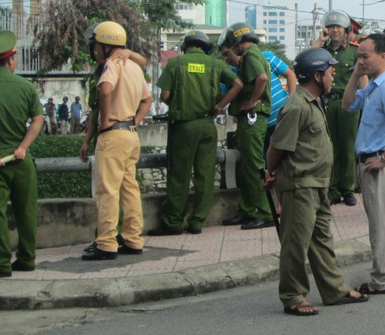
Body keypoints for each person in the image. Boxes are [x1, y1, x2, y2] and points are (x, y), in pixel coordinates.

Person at [264, 48, 368, 316]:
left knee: (321, 240)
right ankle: (293, 295)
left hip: (317, 182)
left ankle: (333, 289)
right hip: (300, 183)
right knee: (296, 244)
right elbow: (278, 147)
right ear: (317, 75)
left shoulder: (313, 101)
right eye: (331, 73)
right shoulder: (297, 105)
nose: (333, 78)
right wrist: (271, 172)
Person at [152, 31, 242, 236]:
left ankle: (173, 222)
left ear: (186, 46)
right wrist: (220, 106)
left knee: (179, 175)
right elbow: (238, 84)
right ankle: (197, 222)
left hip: (183, 127)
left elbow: (164, 95)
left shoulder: (175, 64)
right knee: (205, 174)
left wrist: (177, 102)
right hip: (207, 126)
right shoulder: (216, 64)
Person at [0, 30, 44, 280]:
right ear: (10, 60)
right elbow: (37, 120)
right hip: (21, 159)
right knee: (26, 210)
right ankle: (27, 259)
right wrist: (23, 146)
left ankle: (1, 263)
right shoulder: (25, 86)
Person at [342, 33, 385, 295]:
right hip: (372, 159)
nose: (361, 61)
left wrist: (384, 159)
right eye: (359, 56)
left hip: (376, 160)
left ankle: (381, 279)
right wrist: (355, 75)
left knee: (379, 224)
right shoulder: (375, 86)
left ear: (383, 56)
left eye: (365, 56)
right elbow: (348, 104)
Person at [83, 21, 153, 261]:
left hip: (112, 133)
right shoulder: (134, 67)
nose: (94, 52)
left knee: (107, 191)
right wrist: (136, 121)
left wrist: (104, 122)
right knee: (130, 189)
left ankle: (106, 243)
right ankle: (133, 239)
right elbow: (147, 99)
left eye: (96, 47)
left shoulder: (112, 64)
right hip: (130, 134)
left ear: (105, 45)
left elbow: (104, 90)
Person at [218, 22, 274, 230]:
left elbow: (261, 78)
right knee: (245, 167)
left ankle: (264, 212)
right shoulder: (251, 56)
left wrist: (251, 102)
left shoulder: (251, 55)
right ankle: (247, 210)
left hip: (254, 116)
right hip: (250, 117)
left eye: (232, 45)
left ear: (238, 42)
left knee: (253, 167)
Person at [316, 9, 365, 207]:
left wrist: (366, 102)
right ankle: (333, 189)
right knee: (330, 147)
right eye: (331, 27)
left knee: (347, 146)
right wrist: (319, 41)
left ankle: (347, 189)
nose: (335, 30)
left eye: (338, 27)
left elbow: (362, 76)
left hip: (349, 103)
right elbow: (308, 60)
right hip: (327, 102)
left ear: (346, 30)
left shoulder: (354, 50)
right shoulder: (323, 51)